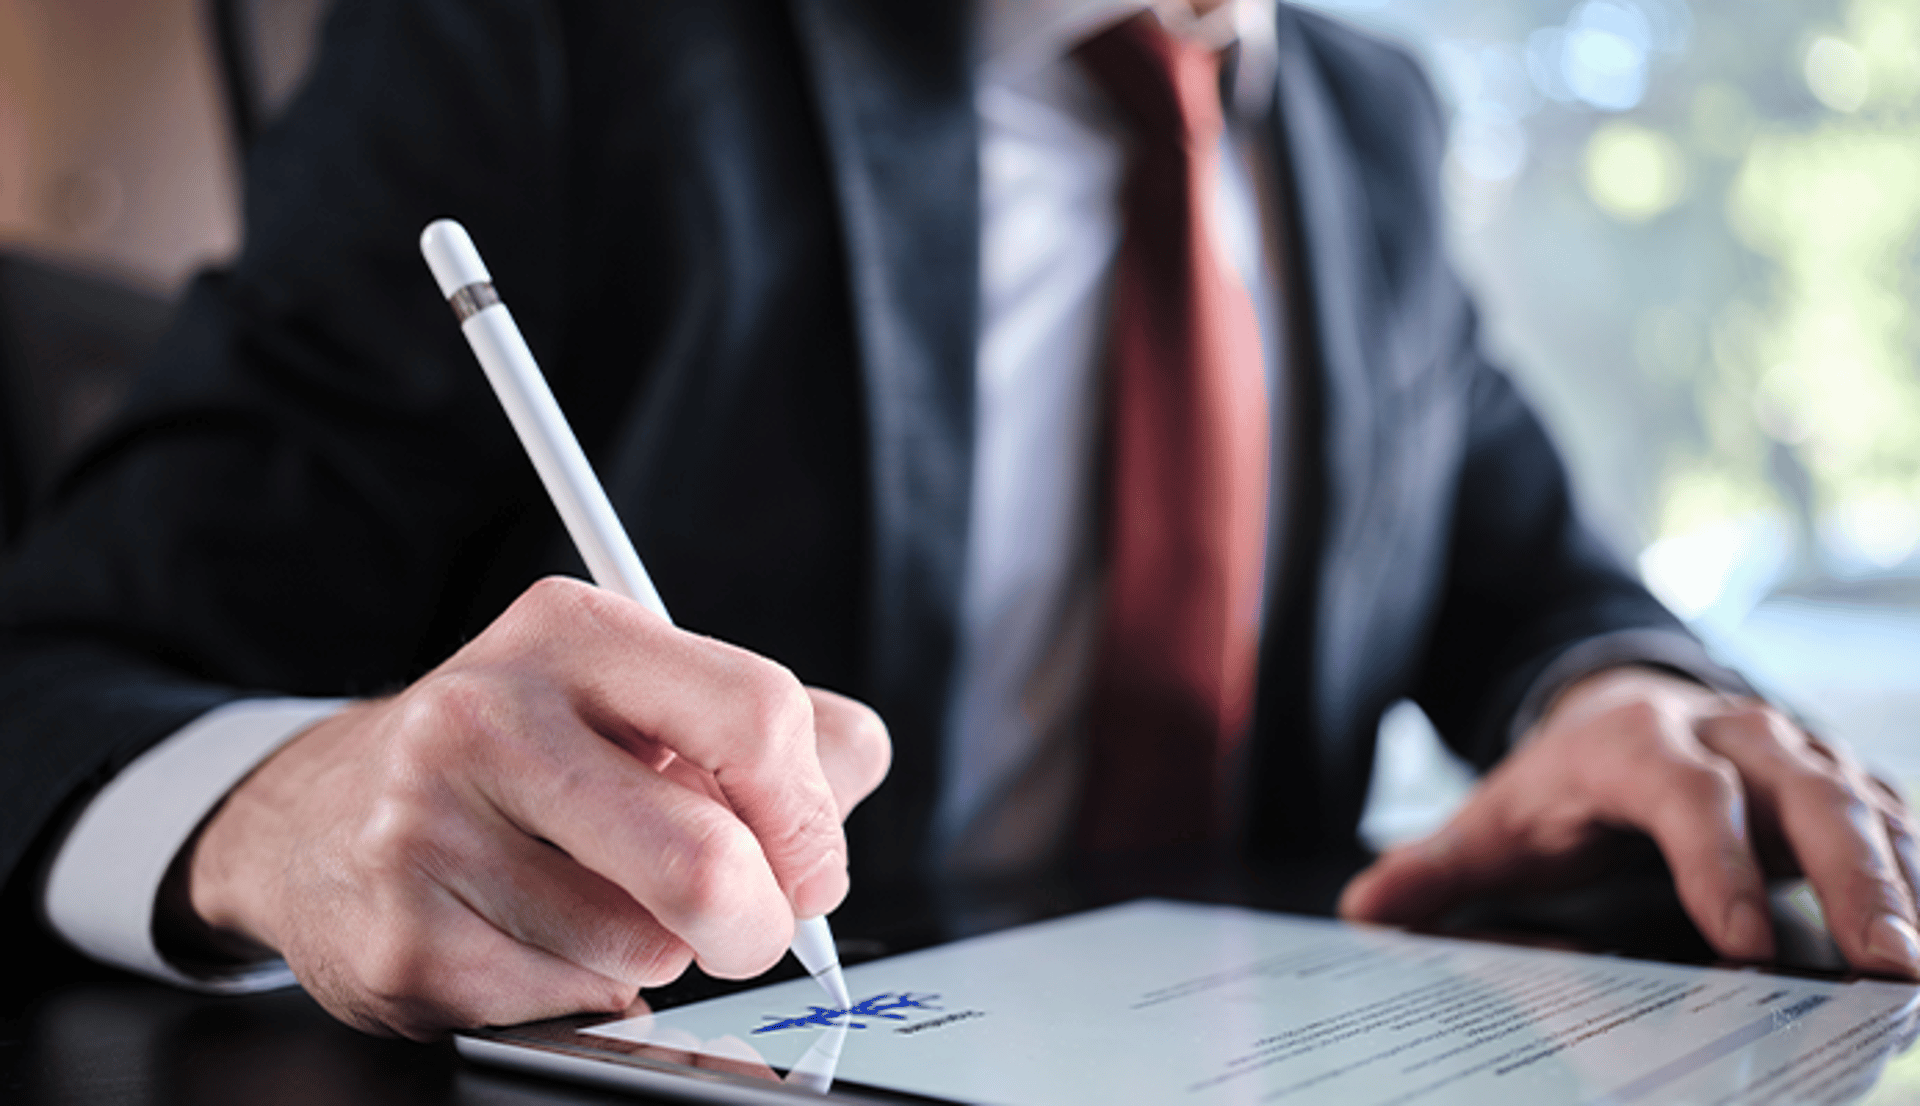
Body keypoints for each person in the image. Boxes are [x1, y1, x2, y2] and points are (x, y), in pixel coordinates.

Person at [2, 0, 1914, 1040]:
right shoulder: (552, 52)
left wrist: (1621, 687)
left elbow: (1531, 569)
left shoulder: (1371, 120)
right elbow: (50, 672)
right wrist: (297, 808)